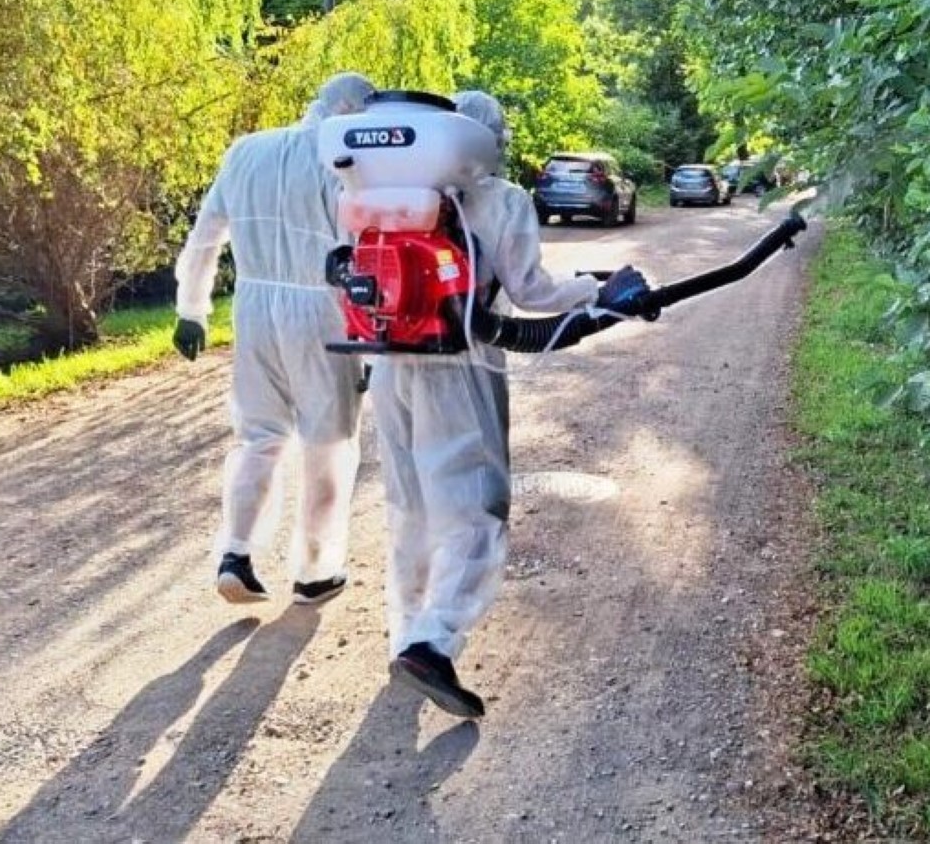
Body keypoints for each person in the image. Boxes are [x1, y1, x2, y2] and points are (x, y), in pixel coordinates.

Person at [373, 89, 647, 717]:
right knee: (478, 509)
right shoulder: (502, 200)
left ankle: (406, 633)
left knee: (409, 501)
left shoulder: (390, 199)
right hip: (462, 362)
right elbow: (530, 293)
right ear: (489, 140)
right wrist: (599, 289)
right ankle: (432, 646)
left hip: (390, 362)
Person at [171, 72, 375, 607]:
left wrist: (191, 308)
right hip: (322, 312)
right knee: (327, 443)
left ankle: (235, 552)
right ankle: (315, 570)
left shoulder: (246, 152)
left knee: (259, 437)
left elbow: (205, 236)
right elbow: (363, 249)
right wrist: (374, 336)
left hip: (254, 308)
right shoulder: (346, 163)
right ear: (352, 112)